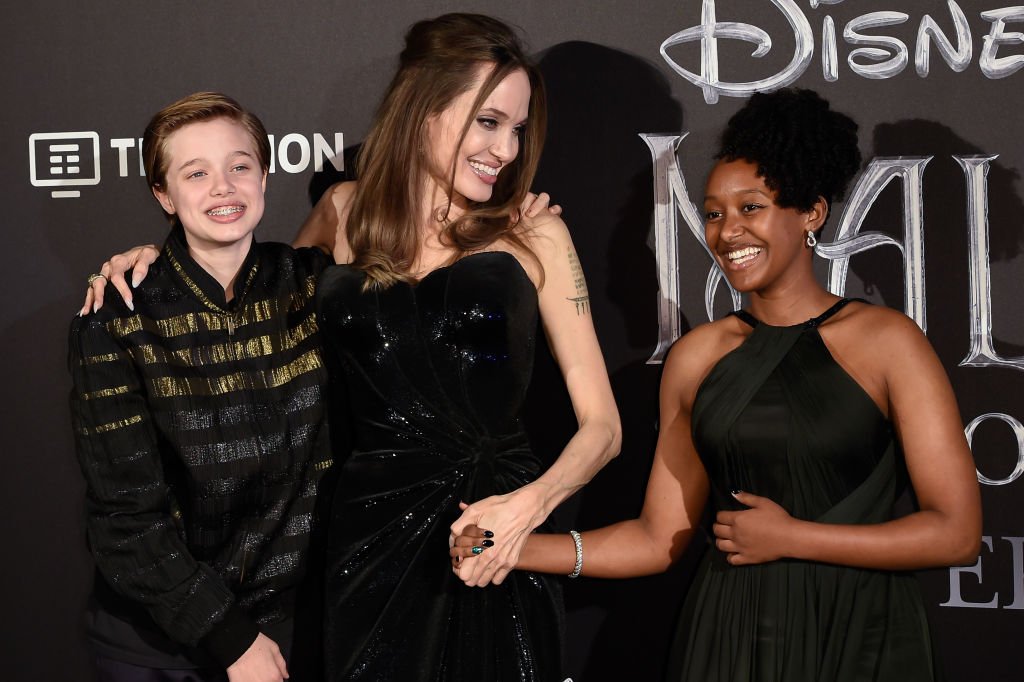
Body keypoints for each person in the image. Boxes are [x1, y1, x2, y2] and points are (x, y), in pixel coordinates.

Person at [82, 13, 618, 681]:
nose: (506, 149)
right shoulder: (343, 214)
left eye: (517, 128)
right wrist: (148, 262)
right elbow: (246, 297)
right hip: (368, 539)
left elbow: (604, 427)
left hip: (491, 534)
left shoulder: (535, 234)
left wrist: (526, 509)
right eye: (488, 121)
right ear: (423, 108)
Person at [452, 89, 982, 682]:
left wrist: (793, 538)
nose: (728, 232)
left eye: (751, 208)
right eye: (712, 213)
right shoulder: (698, 357)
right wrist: (512, 547)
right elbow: (658, 540)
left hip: (860, 635)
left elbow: (956, 534)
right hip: (730, 638)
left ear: (811, 212)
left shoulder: (888, 341)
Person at [70, 92, 334, 681]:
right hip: (161, 643)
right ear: (163, 194)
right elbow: (124, 519)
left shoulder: (317, 289)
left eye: (239, 166)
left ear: (264, 175)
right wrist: (231, 640)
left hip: (293, 628)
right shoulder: (118, 317)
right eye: (196, 172)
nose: (223, 187)